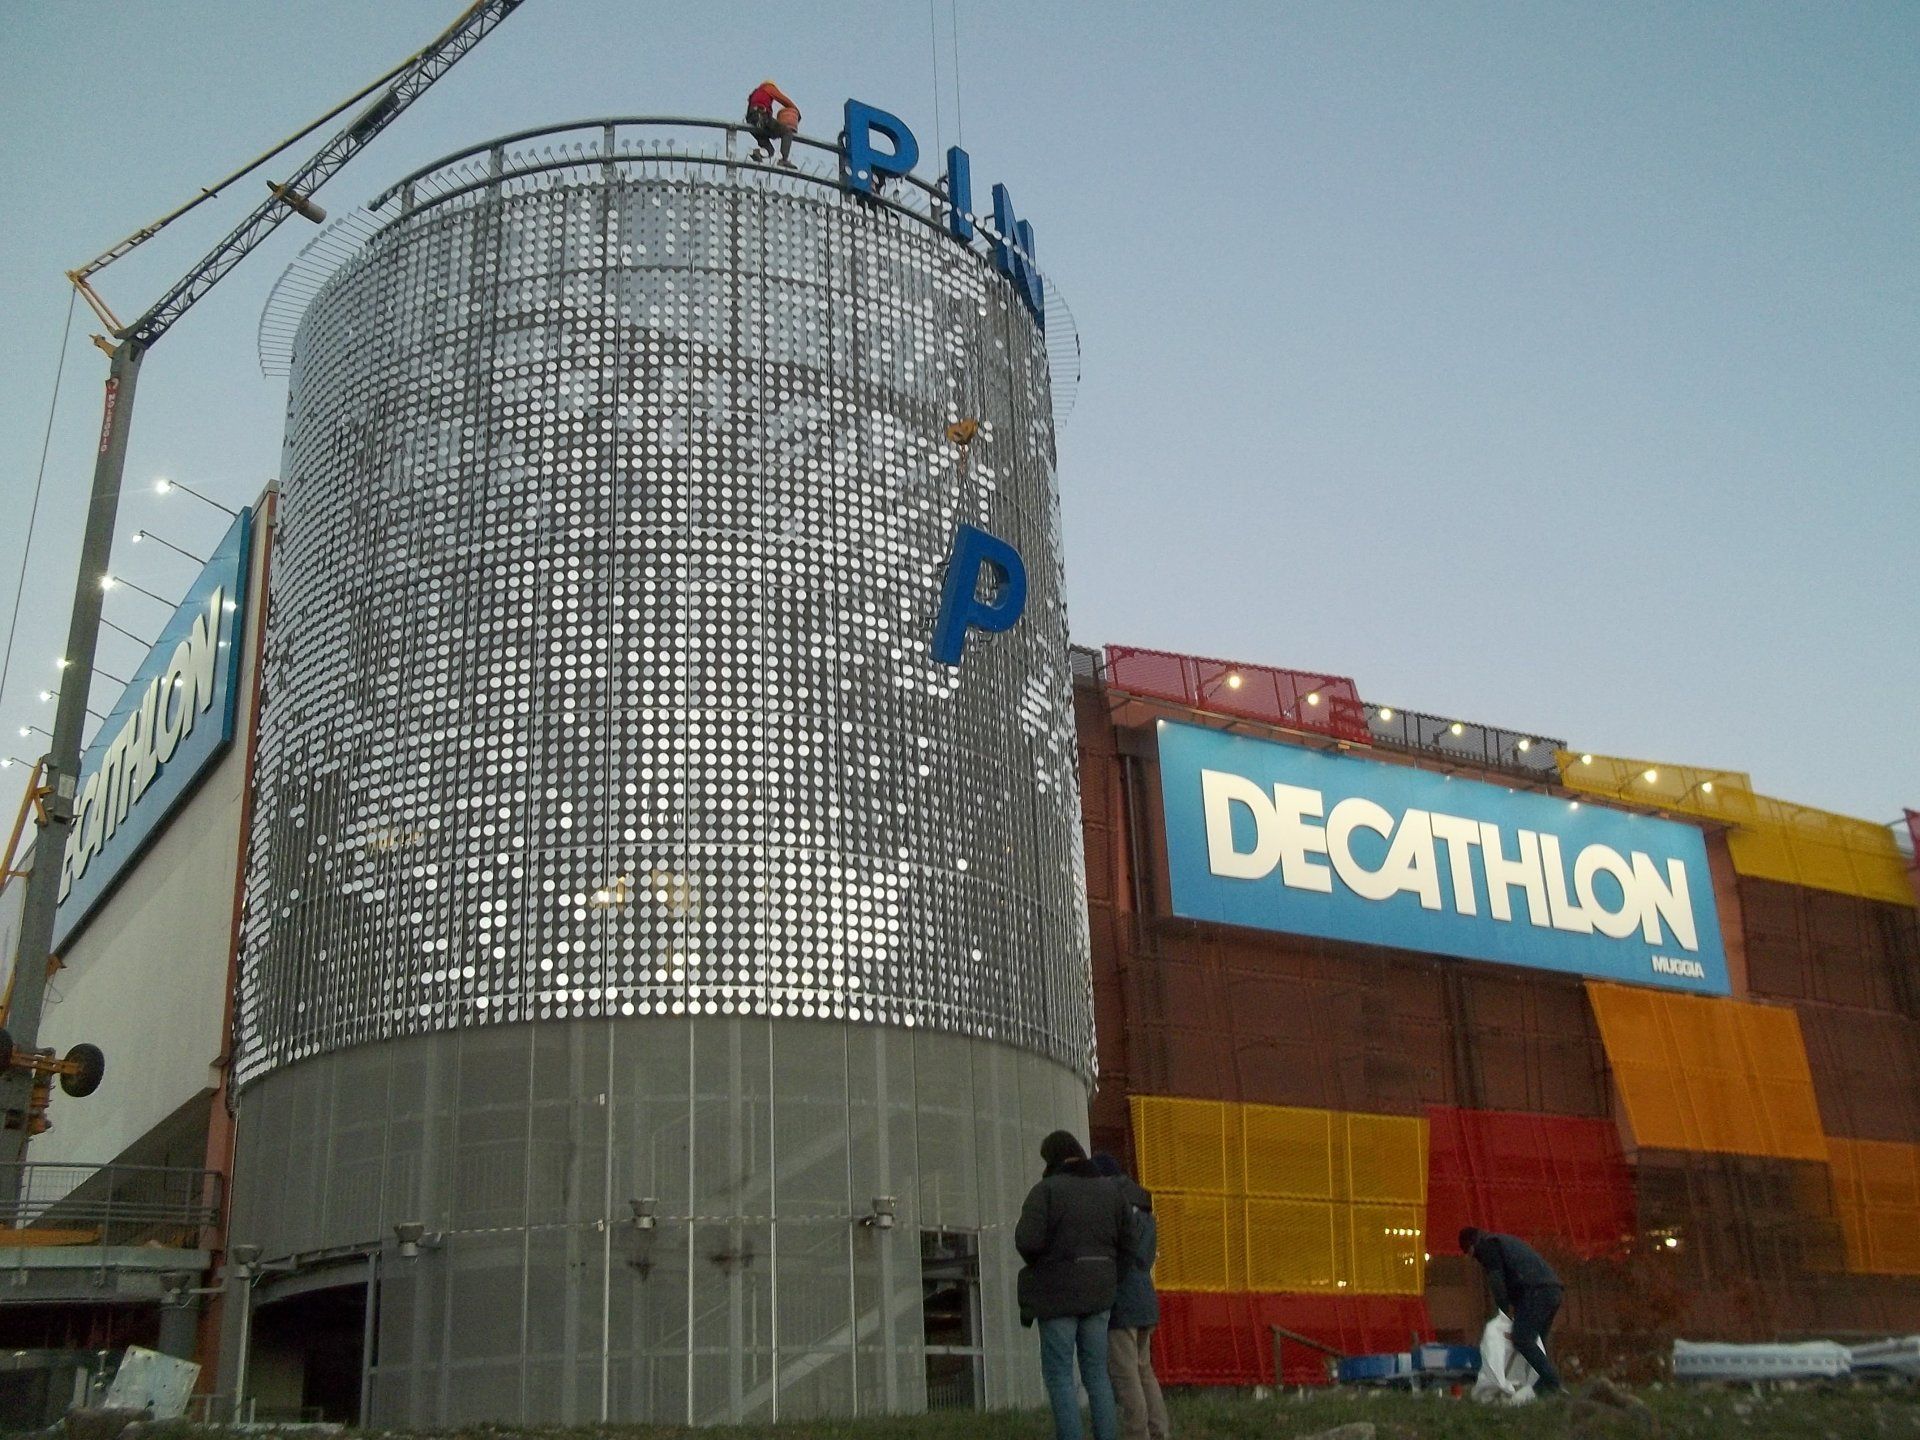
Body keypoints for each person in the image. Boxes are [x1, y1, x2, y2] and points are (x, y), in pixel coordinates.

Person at [1016, 1130, 1130, 1440]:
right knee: (1096, 1375)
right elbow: (1128, 1245)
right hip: (1100, 1294)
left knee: (1060, 1376)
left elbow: (1027, 1241)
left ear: (1052, 1158)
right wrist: (1108, 1275)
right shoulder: (1112, 1193)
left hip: (1057, 1296)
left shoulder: (1046, 1191)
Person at [1093, 1153, 1170, 1440]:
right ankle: (1159, 1430)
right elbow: (1145, 1257)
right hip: (1145, 1299)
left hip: (1121, 1302)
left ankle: (1138, 1434)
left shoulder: (1108, 1206)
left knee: (1126, 1375)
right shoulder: (1145, 1210)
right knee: (1144, 1370)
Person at [1460, 1226, 1564, 1394]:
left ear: (1471, 1246)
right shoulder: (1502, 1242)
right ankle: (1542, 1389)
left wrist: (1503, 1312)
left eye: (1470, 1253)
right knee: (1538, 1342)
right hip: (1553, 1289)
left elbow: (1497, 1282)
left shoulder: (1487, 1247)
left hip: (1536, 1290)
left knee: (1522, 1339)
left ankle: (1552, 1383)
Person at [745, 79, 798, 167]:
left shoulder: (755, 94)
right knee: (786, 132)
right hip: (761, 117)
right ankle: (784, 160)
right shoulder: (768, 87)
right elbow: (783, 99)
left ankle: (757, 153)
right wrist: (795, 111)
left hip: (752, 122)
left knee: (769, 151)